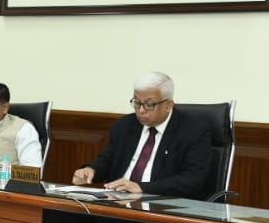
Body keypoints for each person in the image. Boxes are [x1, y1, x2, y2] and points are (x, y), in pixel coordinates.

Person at [72, 72, 213, 198]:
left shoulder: (193, 131)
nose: (141, 110)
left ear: (168, 105)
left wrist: (142, 188)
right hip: (116, 201)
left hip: (161, 205)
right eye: (137, 102)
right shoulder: (124, 126)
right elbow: (108, 160)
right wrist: (91, 170)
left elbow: (192, 180)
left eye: (149, 104)